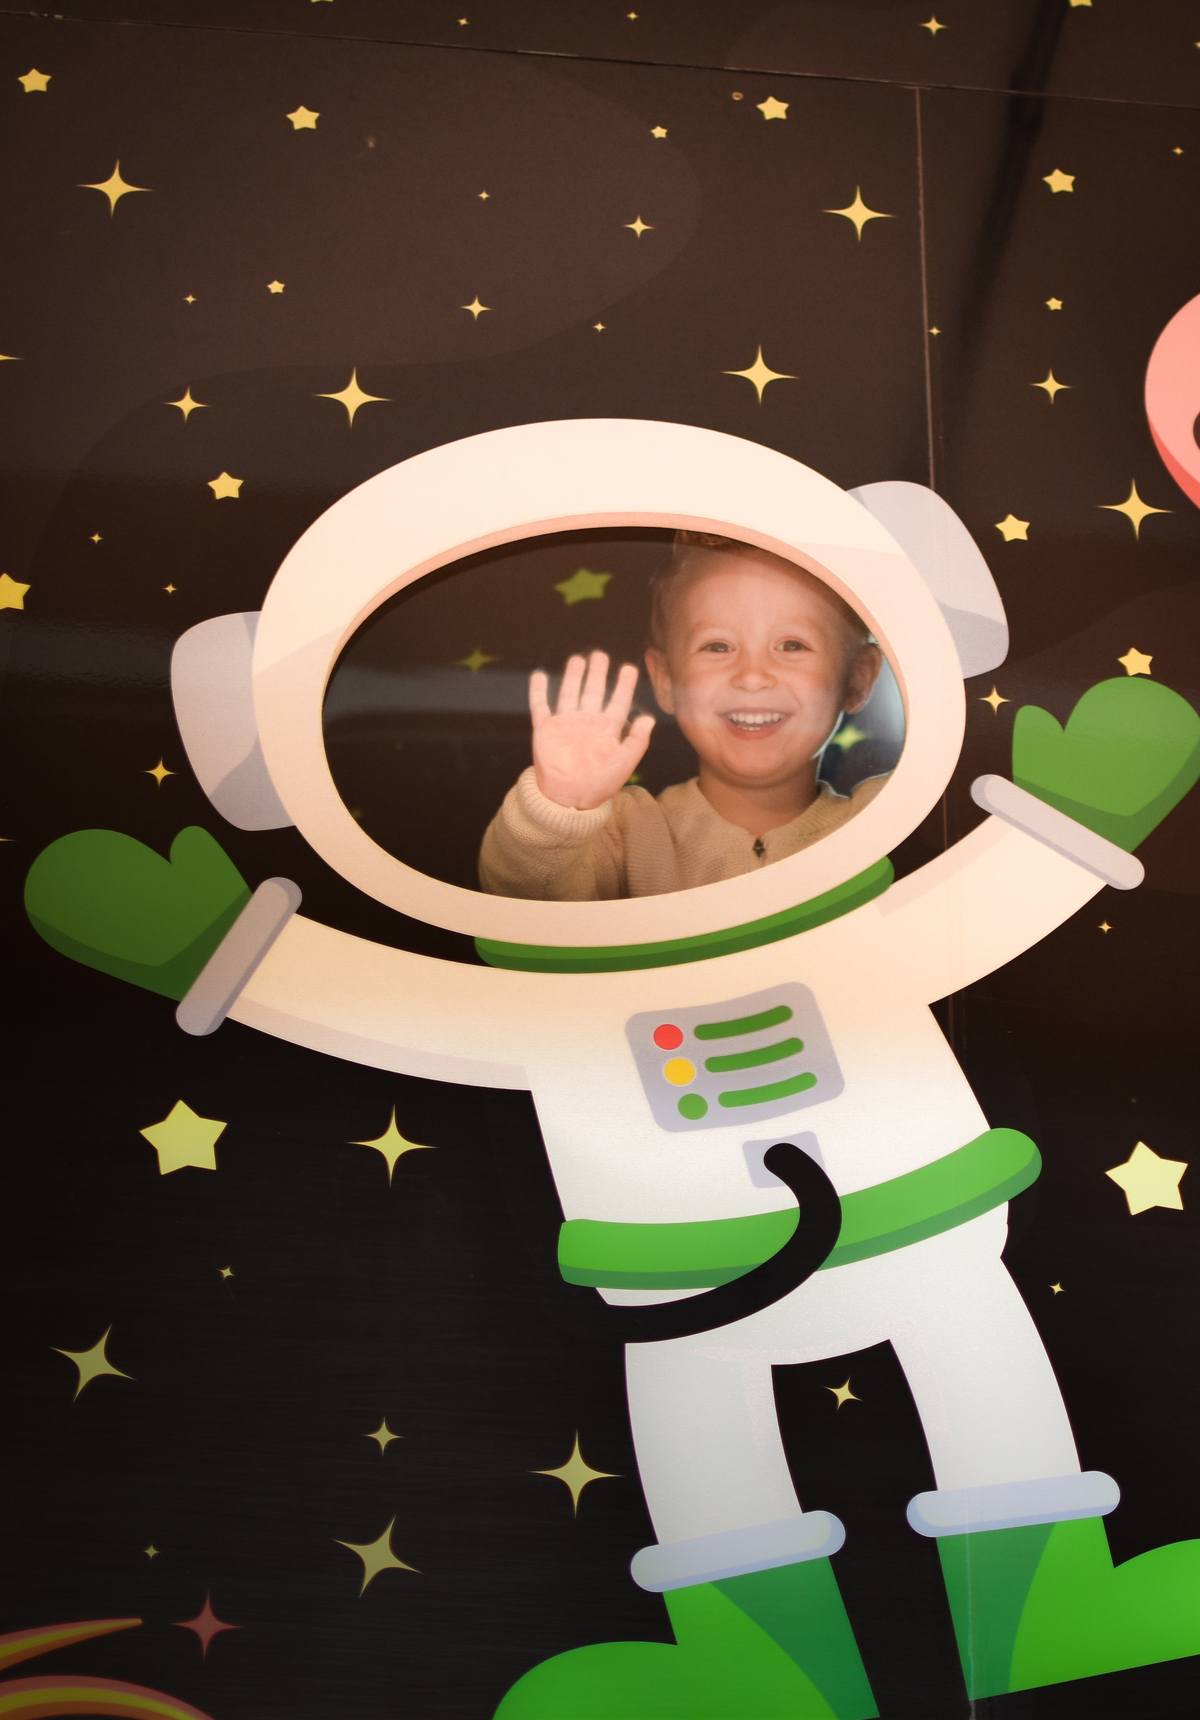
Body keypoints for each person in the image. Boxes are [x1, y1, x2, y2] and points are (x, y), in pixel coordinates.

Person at [479, 531, 887, 898]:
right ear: (666, 680)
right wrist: (560, 810)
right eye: (717, 646)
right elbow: (524, 893)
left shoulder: (882, 821)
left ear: (858, 677)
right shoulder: (621, 833)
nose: (752, 676)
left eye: (792, 645)